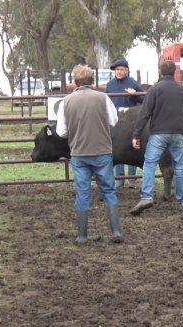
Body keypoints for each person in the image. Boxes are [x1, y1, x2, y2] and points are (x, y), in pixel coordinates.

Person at [56, 64, 123, 244]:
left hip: (79, 153)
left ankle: (82, 235)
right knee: (109, 189)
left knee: (83, 192)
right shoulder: (103, 98)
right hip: (102, 151)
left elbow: (61, 132)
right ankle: (116, 231)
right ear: (92, 81)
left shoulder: (66, 101)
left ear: (75, 81)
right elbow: (114, 121)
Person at [129, 60, 183, 216]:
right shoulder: (181, 89)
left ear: (160, 71)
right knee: (179, 166)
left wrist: (136, 134)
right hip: (178, 134)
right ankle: (182, 201)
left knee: (149, 163)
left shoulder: (154, 90)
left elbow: (144, 114)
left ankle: (147, 196)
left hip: (158, 133)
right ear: (175, 72)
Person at [105, 58, 145, 189]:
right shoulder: (110, 85)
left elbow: (144, 99)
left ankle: (132, 179)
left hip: (130, 122)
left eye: (122, 69)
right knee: (116, 149)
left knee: (131, 149)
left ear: (126, 70)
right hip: (115, 122)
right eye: (117, 69)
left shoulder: (133, 83)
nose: (119, 72)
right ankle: (119, 179)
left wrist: (135, 94)